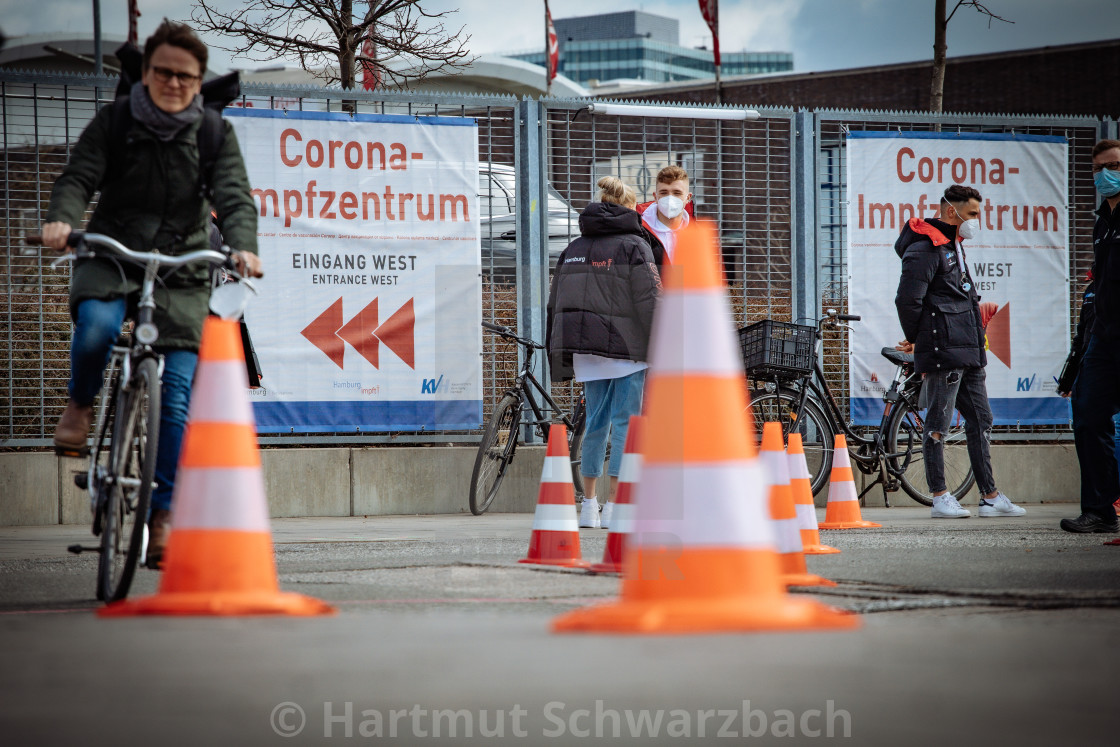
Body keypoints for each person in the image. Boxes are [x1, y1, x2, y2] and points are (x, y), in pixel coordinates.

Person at [41, 20, 263, 566]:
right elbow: (78, 177)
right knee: (95, 327)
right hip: (113, 254)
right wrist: (62, 220)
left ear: (197, 80)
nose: (173, 82)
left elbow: (235, 197)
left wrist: (243, 246)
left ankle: (162, 514)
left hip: (181, 271)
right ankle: (81, 404)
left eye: (185, 76)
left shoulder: (213, 133)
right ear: (145, 72)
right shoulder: (116, 122)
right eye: (162, 71)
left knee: (180, 396)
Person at [894, 184, 1026, 519]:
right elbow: (908, 301)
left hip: (967, 350)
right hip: (943, 352)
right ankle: (940, 496)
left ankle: (990, 497)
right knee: (937, 424)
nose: (976, 221)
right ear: (952, 212)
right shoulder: (925, 248)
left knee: (982, 419)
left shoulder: (952, 245)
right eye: (972, 214)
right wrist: (919, 338)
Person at [546, 176, 661, 529]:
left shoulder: (575, 246)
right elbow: (650, 300)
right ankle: (615, 507)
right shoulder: (634, 245)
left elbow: (556, 302)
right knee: (626, 423)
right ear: (629, 207)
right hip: (626, 349)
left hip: (586, 352)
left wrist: (559, 348)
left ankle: (588, 505)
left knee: (595, 423)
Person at [1062, 139, 1120, 533]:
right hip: (1105, 337)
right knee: (1087, 414)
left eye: (1113, 165)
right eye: (1099, 168)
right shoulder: (1103, 222)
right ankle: (1100, 511)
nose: (1106, 174)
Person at [635, 165, 693, 265]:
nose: (670, 198)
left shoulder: (694, 233)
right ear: (655, 197)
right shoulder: (638, 230)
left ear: (688, 197)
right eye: (664, 192)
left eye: (677, 193)